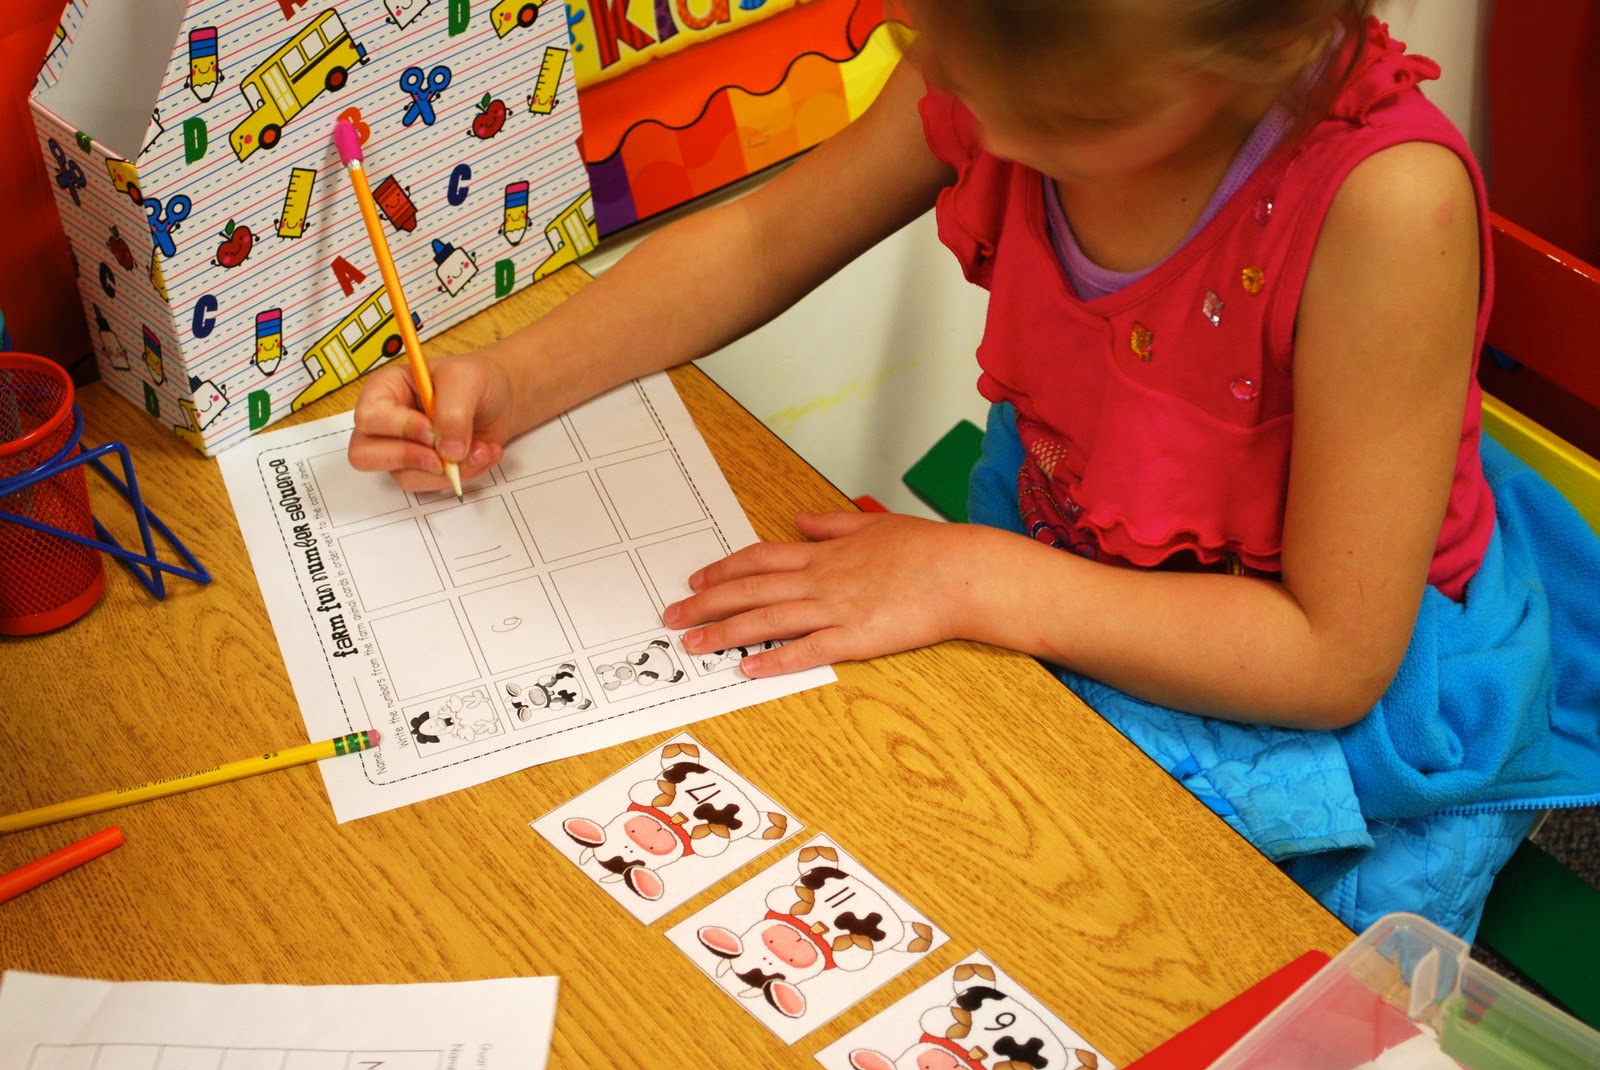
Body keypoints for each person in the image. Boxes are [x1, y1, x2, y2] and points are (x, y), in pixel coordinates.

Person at [350, 0, 1600, 938]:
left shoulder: (1388, 210)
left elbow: (1329, 658)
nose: (986, 134)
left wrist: (971, 580)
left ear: (1272, 42)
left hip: (1348, 721)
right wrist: (513, 376)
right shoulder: (1010, 42)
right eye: (953, 79)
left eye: (1071, 124)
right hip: (1060, 581)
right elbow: (765, 238)